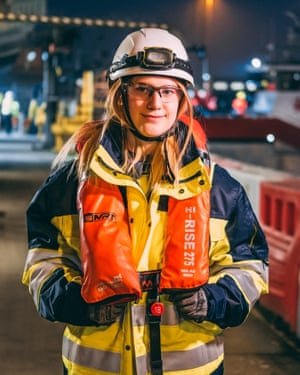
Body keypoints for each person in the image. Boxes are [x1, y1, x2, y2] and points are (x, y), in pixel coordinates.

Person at [22, 28, 268, 375]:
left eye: (167, 91)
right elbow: (41, 261)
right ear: (120, 95)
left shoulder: (217, 188)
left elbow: (250, 266)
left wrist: (212, 300)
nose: (156, 104)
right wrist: (76, 302)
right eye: (142, 90)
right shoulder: (70, 182)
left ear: (182, 99)